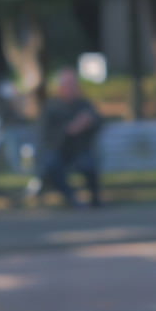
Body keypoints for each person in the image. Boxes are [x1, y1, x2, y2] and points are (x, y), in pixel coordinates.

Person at [37, 68, 103, 208]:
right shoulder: (51, 107)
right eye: (68, 85)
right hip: (59, 151)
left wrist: (89, 122)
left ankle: (95, 200)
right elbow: (46, 135)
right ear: (60, 87)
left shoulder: (83, 104)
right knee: (52, 165)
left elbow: (98, 121)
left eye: (74, 85)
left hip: (80, 150)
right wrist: (70, 129)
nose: (72, 88)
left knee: (89, 164)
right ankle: (72, 198)